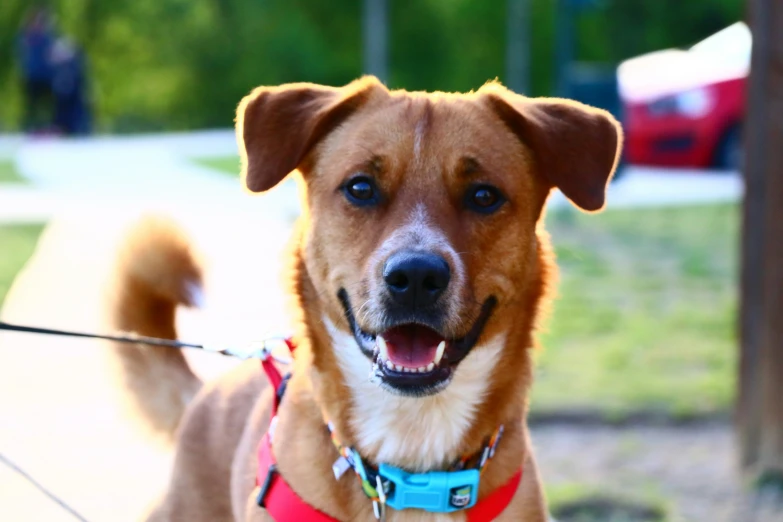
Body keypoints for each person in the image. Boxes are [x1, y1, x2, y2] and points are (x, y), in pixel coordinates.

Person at [16, 8, 56, 133]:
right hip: (32, 76)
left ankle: (47, 126)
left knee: (48, 104)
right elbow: (21, 54)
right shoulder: (27, 36)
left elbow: (51, 54)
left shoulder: (47, 37)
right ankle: (30, 127)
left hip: (46, 76)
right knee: (32, 104)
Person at [50, 38, 92, 135]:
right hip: (68, 109)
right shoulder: (63, 68)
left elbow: (68, 91)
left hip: (74, 110)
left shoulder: (71, 67)